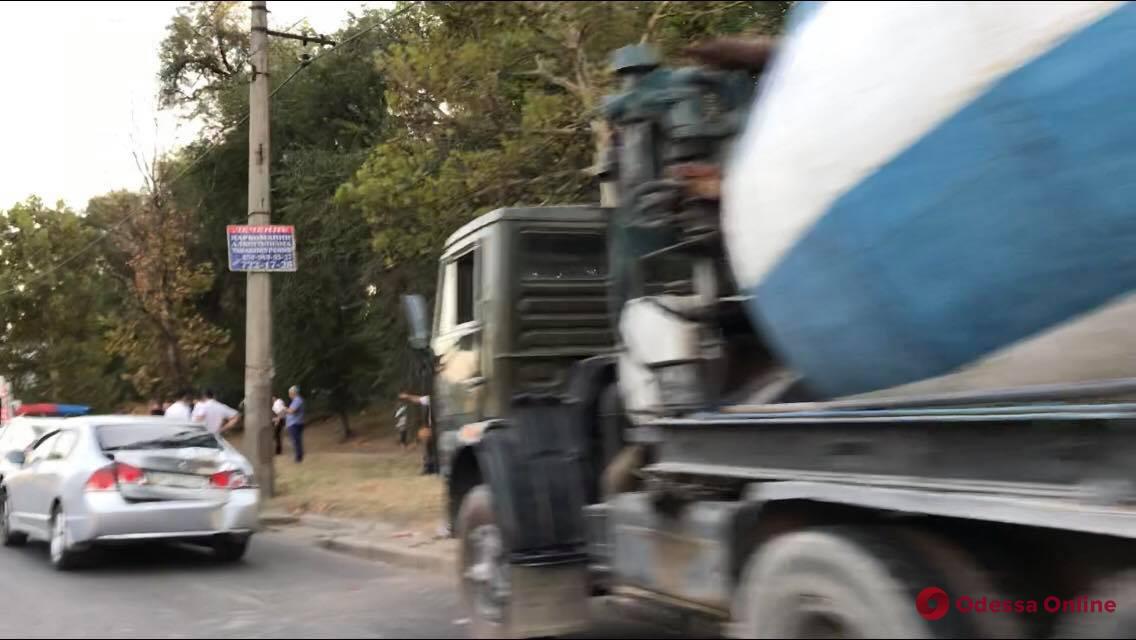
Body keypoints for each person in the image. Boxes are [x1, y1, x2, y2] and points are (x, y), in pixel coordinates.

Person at [398, 392, 437, 474]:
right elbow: (418, 399)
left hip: (437, 427)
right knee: (429, 447)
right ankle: (430, 468)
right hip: (433, 427)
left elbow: (418, 399)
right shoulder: (431, 399)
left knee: (431, 448)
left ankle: (430, 468)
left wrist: (407, 396)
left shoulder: (434, 399)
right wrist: (408, 396)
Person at [284, 385, 305, 463]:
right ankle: (299, 456)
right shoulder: (295, 401)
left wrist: (284, 408)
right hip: (294, 423)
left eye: (290, 393)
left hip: (295, 423)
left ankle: (298, 458)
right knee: (296, 440)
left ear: (293, 393)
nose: (289, 395)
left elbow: (291, 411)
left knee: (296, 441)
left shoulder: (297, 400)